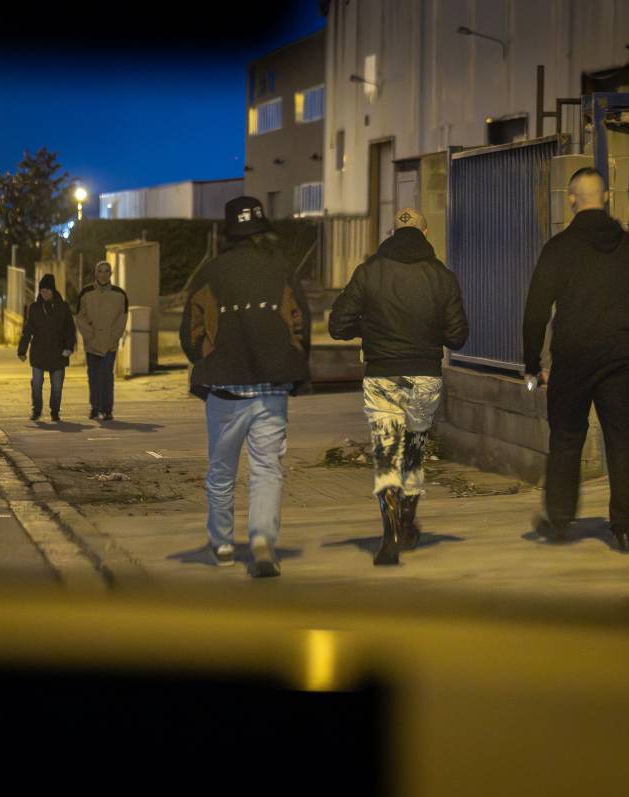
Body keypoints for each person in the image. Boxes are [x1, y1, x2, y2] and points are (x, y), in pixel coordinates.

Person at [522, 167, 629, 552]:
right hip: (620, 360)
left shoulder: (559, 248)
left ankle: (560, 519)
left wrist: (532, 361)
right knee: (622, 439)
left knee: (567, 439)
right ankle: (624, 525)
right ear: (605, 196)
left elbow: (536, 309)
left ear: (572, 199)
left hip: (572, 359)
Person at [179, 196, 311, 578]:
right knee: (268, 468)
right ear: (260, 230)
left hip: (224, 388)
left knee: (221, 471)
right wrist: (292, 360)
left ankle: (221, 544)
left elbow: (191, 330)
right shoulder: (281, 269)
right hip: (272, 388)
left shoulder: (211, 272)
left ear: (229, 231)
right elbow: (299, 320)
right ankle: (262, 539)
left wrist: (206, 357)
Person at [329, 208, 469, 566]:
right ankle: (407, 523)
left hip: (382, 376)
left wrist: (370, 329)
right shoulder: (442, 277)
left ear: (392, 232)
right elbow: (458, 336)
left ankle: (390, 532)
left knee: (387, 452)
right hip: (424, 376)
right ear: (424, 232)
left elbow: (338, 325)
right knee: (414, 450)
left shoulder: (369, 272)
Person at [18, 273, 76, 423]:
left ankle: (55, 411)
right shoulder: (35, 308)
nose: (45, 293)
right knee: (36, 384)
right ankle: (36, 410)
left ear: (53, 290)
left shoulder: (62, 307)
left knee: (57, 387)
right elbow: (28, 329)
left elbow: (70, 329)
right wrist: (22, 350)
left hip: (58, 353)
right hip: (39, 353)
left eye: (47, 290)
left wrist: (69, 347)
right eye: (42, 290)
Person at [75, 260, 128, 421]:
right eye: (100, 271)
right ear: (95, 273)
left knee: (107, 376)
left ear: (111, 274)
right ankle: (94, 407)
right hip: (92, 344)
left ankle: (107, 409)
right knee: (93, 376)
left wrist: (114, 337)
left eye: (107, 271)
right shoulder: (86, 293)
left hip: (110, 344)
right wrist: (89, 335)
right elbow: (80, 316)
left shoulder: (120, 294)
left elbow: (122, 318)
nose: (103, 275)